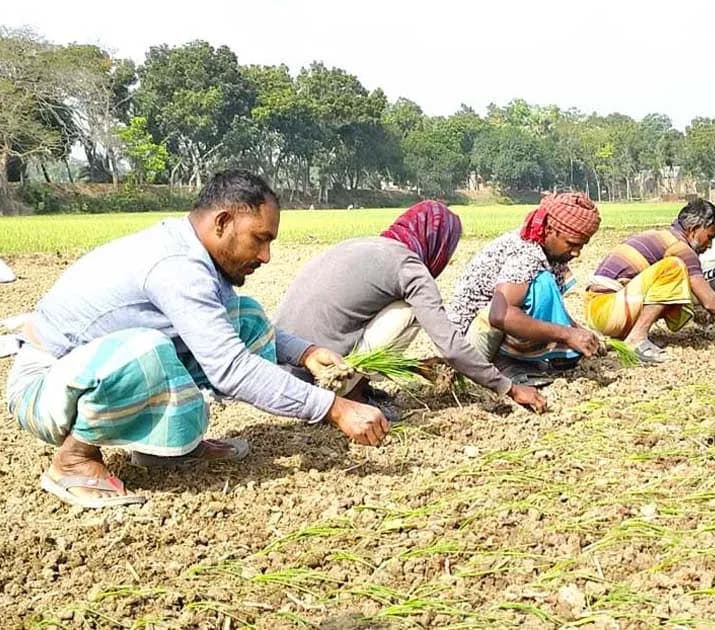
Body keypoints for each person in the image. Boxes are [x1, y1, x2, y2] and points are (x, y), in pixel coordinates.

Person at [4, 170, 388, 509]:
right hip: (43, 386)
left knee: (246, 316)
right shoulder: (177, 267)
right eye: (259, 239)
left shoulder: (197, 255)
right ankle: (73, 462)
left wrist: (306, 352)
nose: (266, 255)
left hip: (87, 372)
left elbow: (234, 332)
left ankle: (170, 448)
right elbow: (230, 369)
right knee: (146, 351)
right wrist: (334, 408)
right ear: (222, 222)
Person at [274, 200, 546, 413]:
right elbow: (449, 346)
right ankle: (353, 397)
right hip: (320, 378)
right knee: (409, 308)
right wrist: (509, 388)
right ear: (440, 245)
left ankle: (360, 389)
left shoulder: (364, 245)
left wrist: (414, 366)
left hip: (283, 368)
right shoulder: (409, 267)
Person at [584, 199, 715, 364]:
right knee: (674, 268)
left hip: (599, 309)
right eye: (709, 237)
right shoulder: (680, 248)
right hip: (607, 310)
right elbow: (709, 300)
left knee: (679, 285)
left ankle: (631, 334)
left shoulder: (663, 237)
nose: (709, 246)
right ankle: (636, 338)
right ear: (693, 230)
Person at [446, 193, 602, 384]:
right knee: (542, 285)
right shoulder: (525, 255)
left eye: (582, 246)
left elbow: (555, 308)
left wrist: (582, 334)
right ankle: (505, 362)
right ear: (549, 230)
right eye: (571, 244)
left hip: (489, 334)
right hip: (471, 347)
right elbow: (500, 315)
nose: (577, 252)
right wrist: (567, 334)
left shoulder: (549, 253)